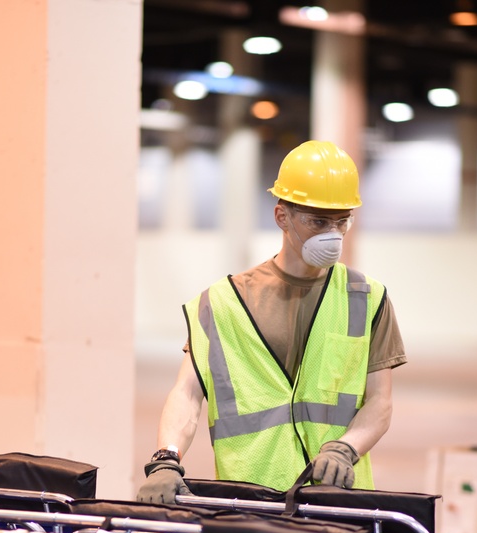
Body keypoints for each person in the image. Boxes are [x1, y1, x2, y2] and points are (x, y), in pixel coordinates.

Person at [138, 140, 406, 504]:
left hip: (337, 498)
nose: (333, 234)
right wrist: (166, 459)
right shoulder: (223, 302)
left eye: (342, 221)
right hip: (248, 498)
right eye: (318, 221)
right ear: (283, 217)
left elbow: (380, 401)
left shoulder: (367, 299)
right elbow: (187, 392)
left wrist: (346, 449)